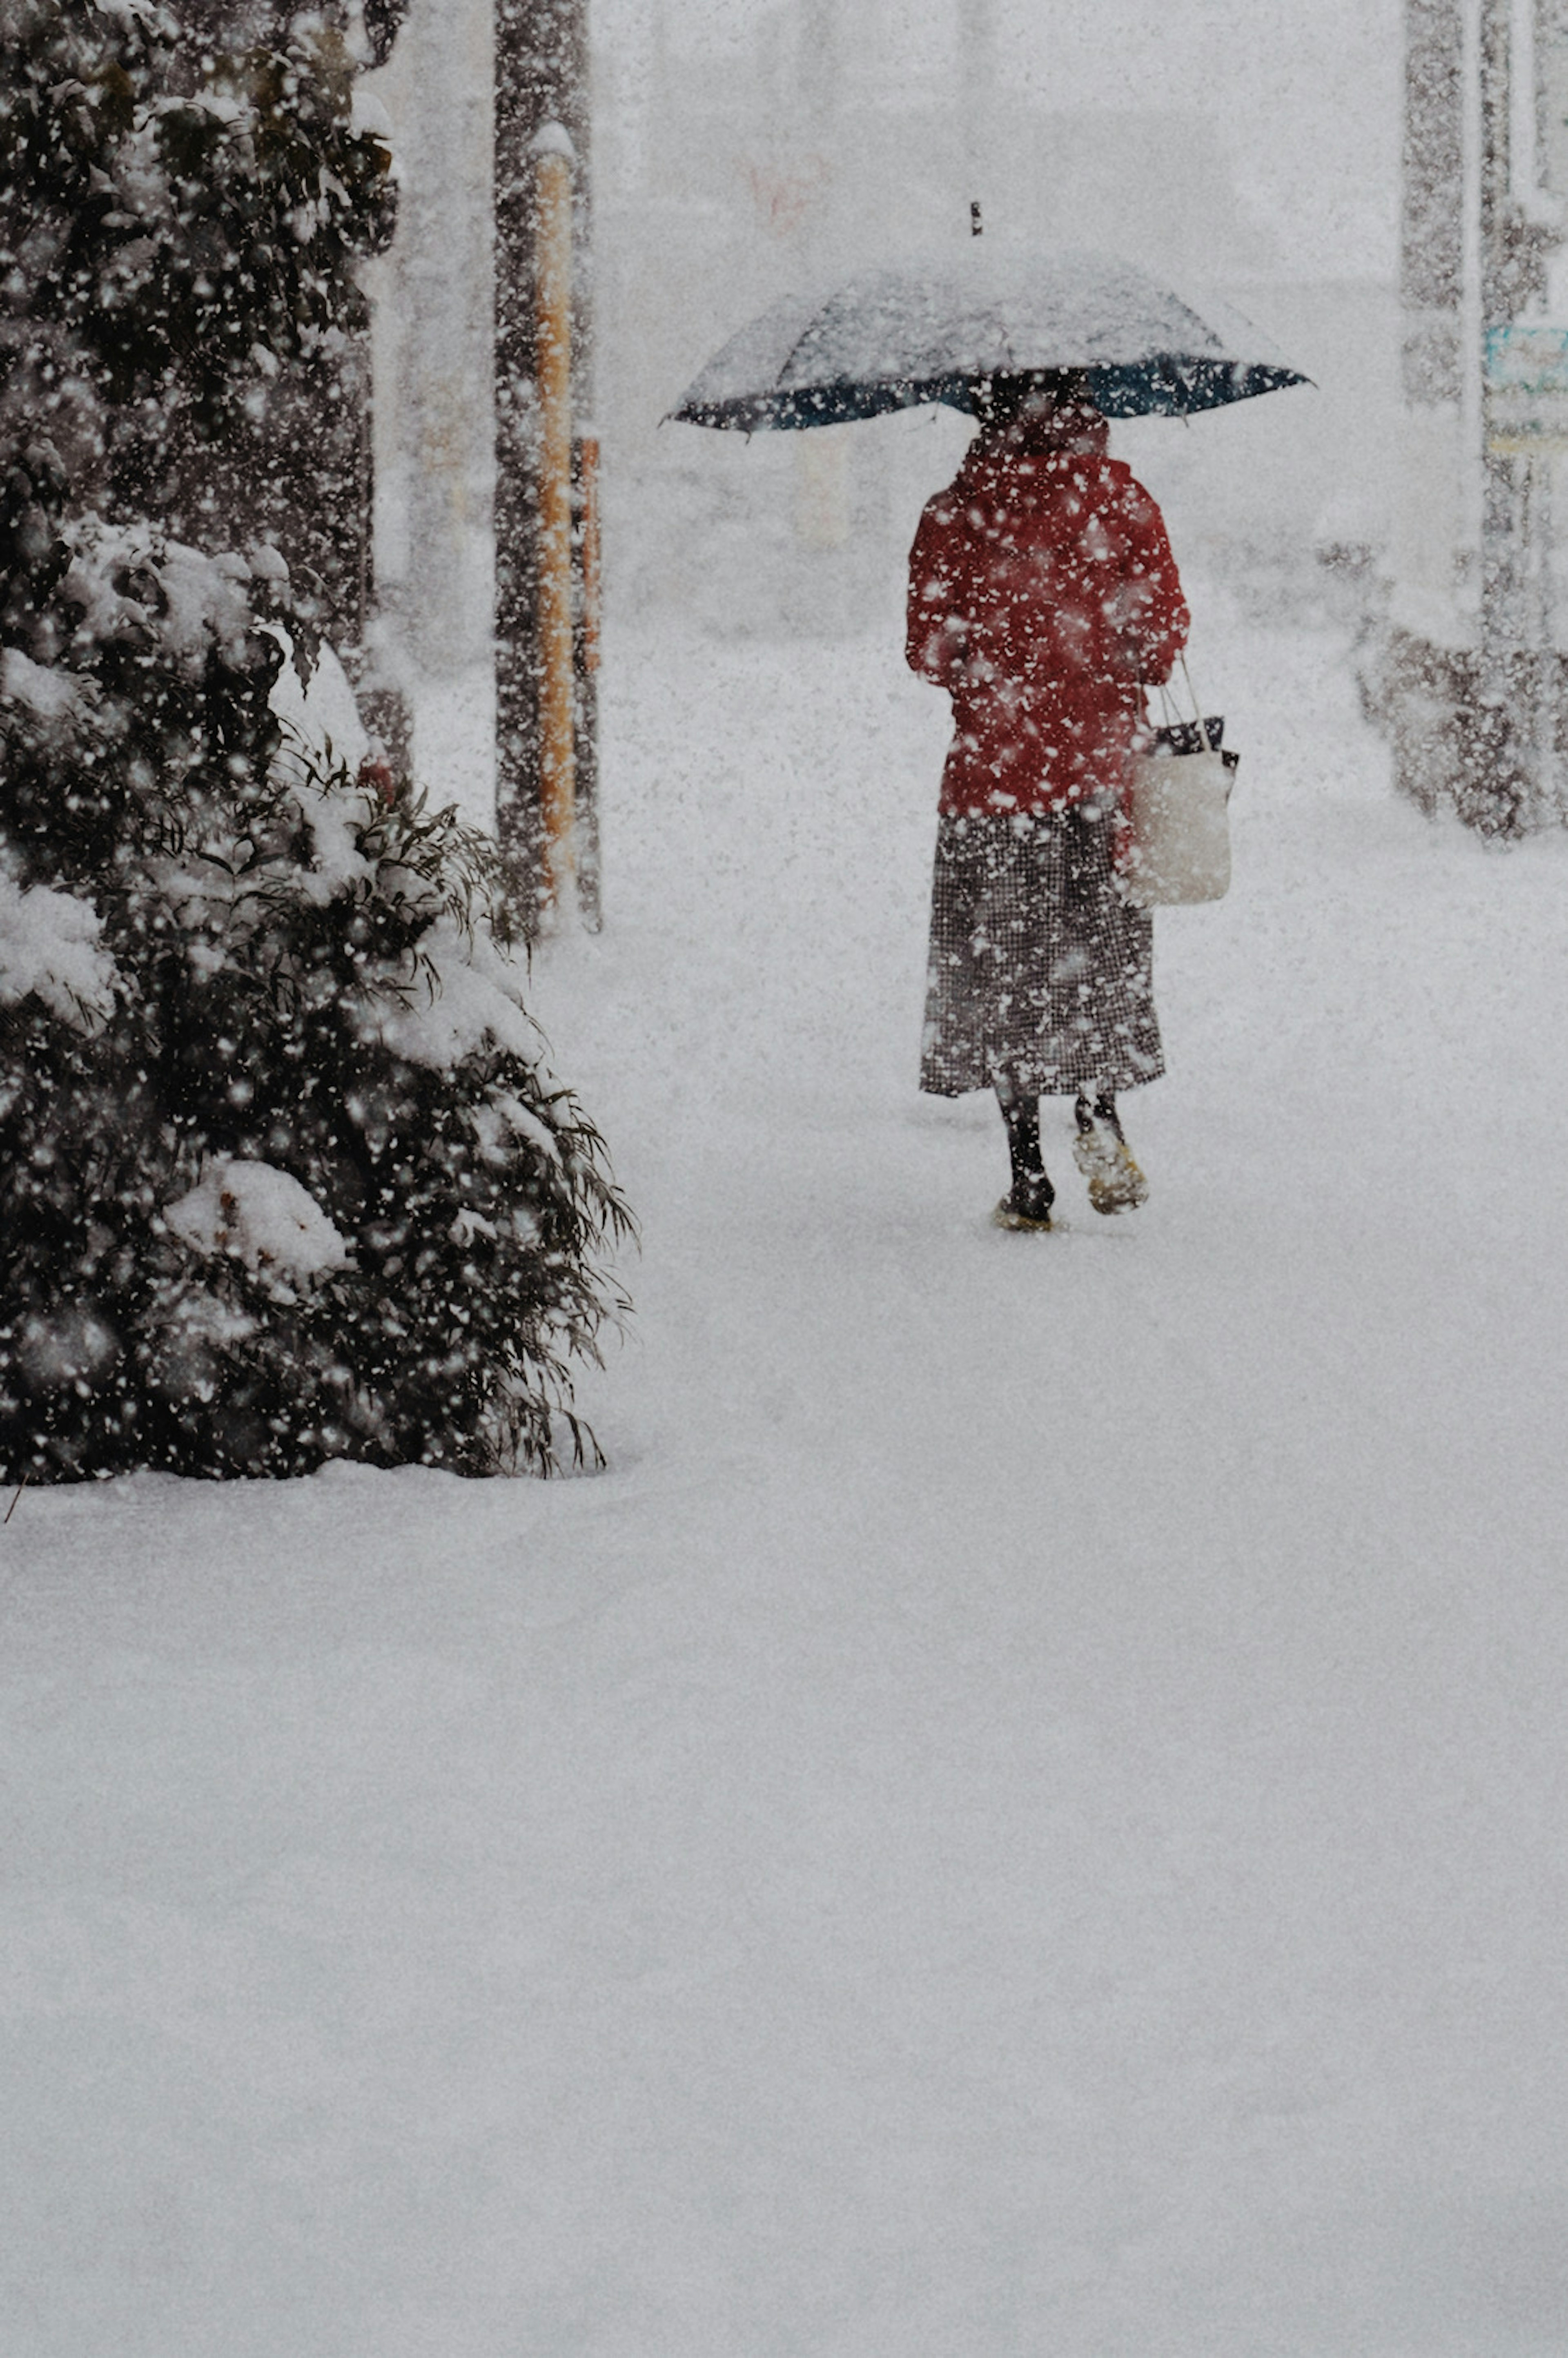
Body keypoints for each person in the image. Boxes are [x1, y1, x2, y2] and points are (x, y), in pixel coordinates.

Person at [906, 370, 1190, 1230]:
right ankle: (1100, 1117)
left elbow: (928, 648)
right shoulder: (1122, 501)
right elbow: (1162, 640)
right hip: (1101, 776)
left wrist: (997, 673)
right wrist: (1099, 657)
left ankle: (1027, 1174)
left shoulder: (955, 513)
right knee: (1095, 957)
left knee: (1008, 971)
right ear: (1088, 412)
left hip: (996, 783)